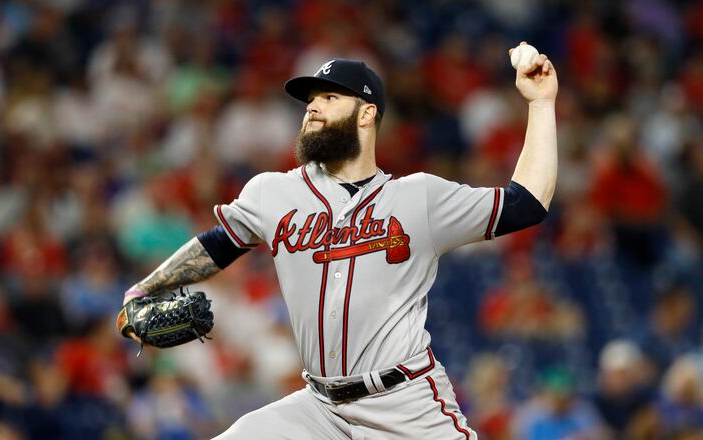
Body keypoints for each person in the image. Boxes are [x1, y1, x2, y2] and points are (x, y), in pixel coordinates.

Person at [121, 42, 558, 439]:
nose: (313, 108)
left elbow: (526, 203)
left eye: (330, 97)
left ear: (367, 113)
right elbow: (217, 244)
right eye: (310, 100)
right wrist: (146, 289)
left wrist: (541, 104)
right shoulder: (272, 192)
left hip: (404, 404)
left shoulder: (418, 197)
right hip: (319, 408)